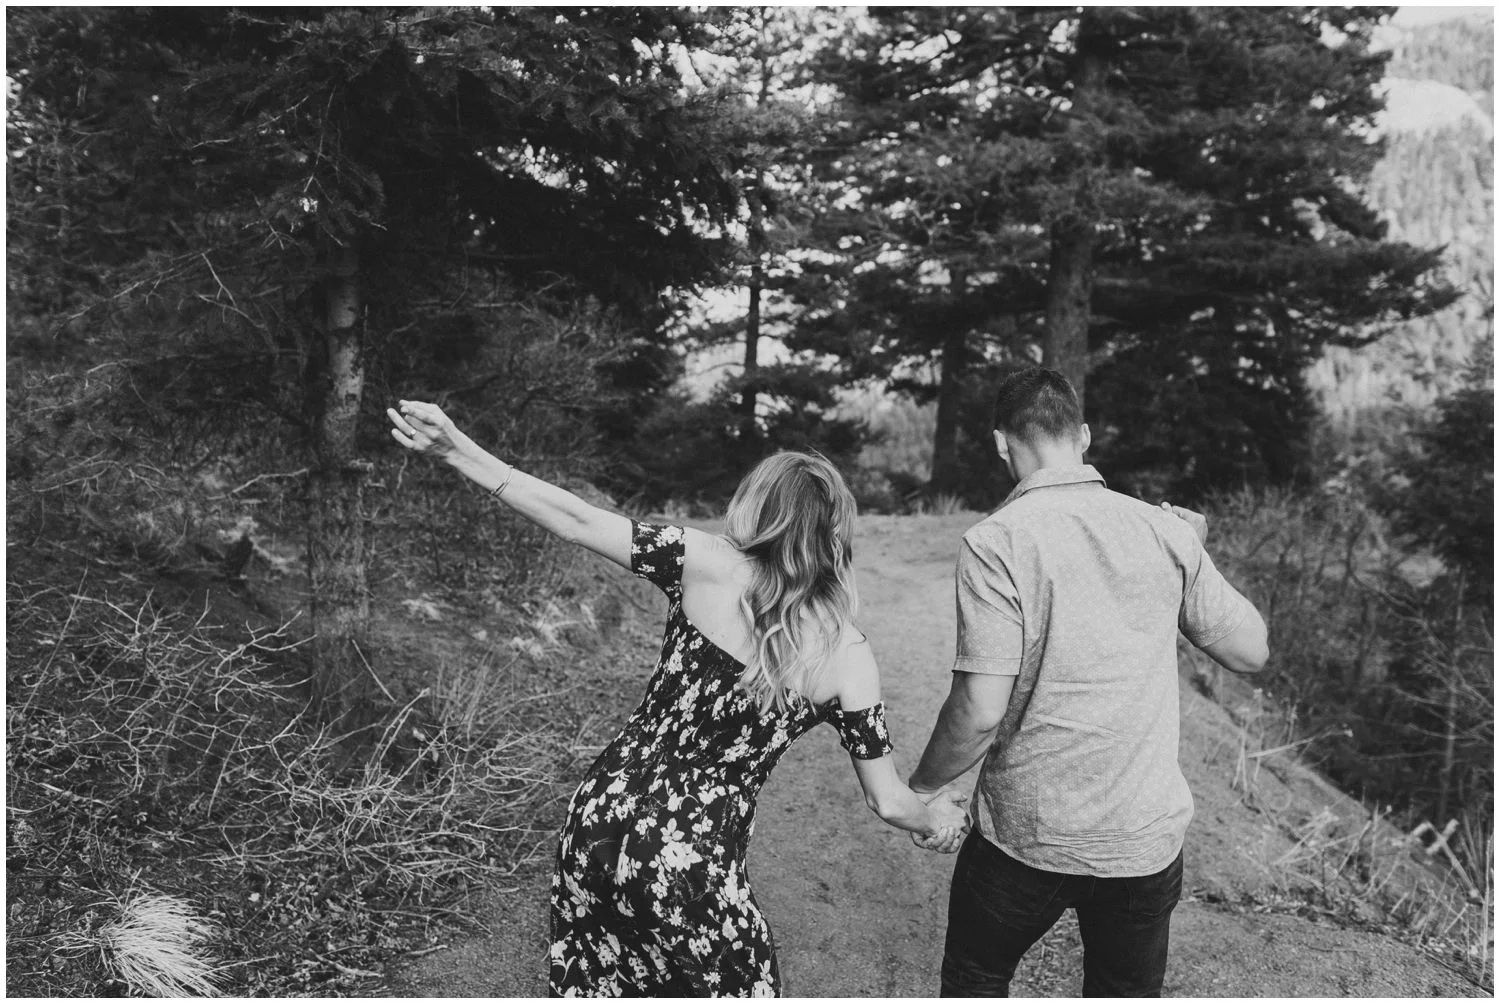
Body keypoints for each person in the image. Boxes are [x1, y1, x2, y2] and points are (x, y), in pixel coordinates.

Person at [387, 399, 969, 998]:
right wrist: (938, 819)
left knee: (607, 985)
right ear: (835, 533)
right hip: (687, 857)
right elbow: (888, 800)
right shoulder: (848, 655)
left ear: (757, 505)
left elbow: (576, 520)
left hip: (598, 817)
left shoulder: (702, 562)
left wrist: (457, 450)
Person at [906, 367, 1269, 998]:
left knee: (976, 980)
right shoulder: (1166, 532)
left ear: (1001, 443)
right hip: (1141, 840)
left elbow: (980, 708)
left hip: (1026, 836)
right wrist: (1193, 551)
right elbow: (1251, 652)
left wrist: (923, 789)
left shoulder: (996, 541)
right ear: (1084, 436)